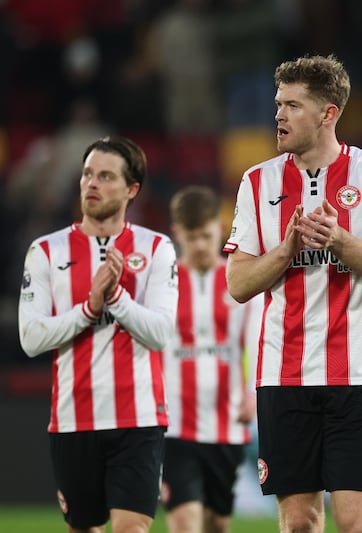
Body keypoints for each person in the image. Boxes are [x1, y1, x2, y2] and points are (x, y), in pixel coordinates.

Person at [223, 54, 362, 533]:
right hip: (282, 376)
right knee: (300, 524)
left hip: (356, 373)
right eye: (278, 104)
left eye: (292, 105)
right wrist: (286, 250)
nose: (278, 115)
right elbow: (238, 283)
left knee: (359, 525)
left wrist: (342, 242)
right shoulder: (257, 181)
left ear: (328, 114)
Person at [18, 136, 178, 533]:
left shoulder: (157, 248)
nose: (92, 183)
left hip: (139, 419)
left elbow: (160, 333)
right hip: (74, 419)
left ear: (131, 190)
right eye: (88, 174)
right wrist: (89, 309)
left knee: (131, 529)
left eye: (106, 176)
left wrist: (116, 297)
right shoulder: (46, 250)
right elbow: (31, 337)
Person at [161, 186, 261, 533]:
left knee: (217, 523)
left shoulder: (240, 282)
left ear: (220, 229)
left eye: (206, 235)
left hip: (228, 423)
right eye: (192, 237)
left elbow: (256, 342)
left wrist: (253, 393)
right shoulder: (162, 283)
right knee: (185, 522)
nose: (201, 245)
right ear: (178, 233)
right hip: (175, 424)